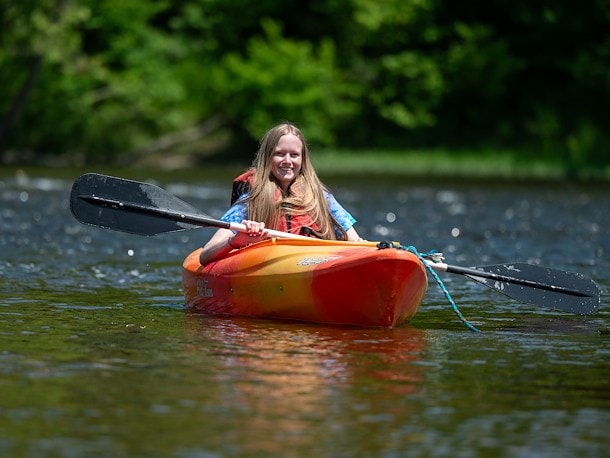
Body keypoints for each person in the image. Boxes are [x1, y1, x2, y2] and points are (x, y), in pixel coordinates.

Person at [199, 122, 364, 265]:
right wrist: (234, 241)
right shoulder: (251, 200)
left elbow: (355, 241)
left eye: (294, 155)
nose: (287, 161)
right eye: (279, 153)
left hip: (318, 263)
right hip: (271, 268)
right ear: (267, 157)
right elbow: (205, 255)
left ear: (303, 159)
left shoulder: (322, 198)